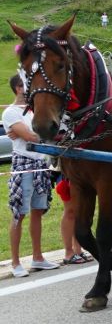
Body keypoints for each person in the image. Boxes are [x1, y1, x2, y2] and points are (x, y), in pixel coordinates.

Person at [2, 75, 59, 277]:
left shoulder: (36, 109)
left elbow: (39, 132)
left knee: (38, 211)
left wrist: (38, 133)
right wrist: (44, 134)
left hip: (40, 163)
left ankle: (38, 257)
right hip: (24, 163)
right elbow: (30, 137)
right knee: (19, 213)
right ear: (19, 88)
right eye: (28, 85)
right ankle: (16, 263)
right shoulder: (10, 112)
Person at [54, 174, 93, 264]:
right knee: (70, 211)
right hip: (65, 174)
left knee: (79, 211)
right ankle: (68, 253)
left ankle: (78, 250)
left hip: (80, 173)